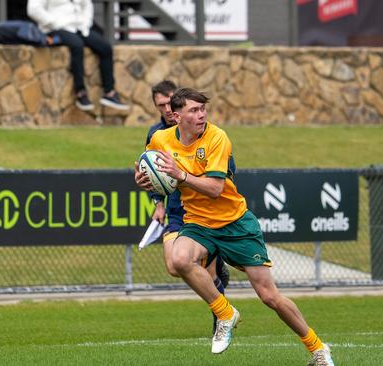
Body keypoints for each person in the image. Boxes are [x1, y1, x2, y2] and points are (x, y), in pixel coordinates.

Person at [142, 88, 335, 365]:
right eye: (193, 111)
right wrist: (143, 178)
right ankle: (225, 312)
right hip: (198, 222)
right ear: (175, 115)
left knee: (269, 296)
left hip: (235, 224)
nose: (201, 115)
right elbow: (150, 170)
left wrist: (181, 175)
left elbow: (215, 188)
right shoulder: (160, 139)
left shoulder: (217, 137)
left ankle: (318, 349)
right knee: (179, 259)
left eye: (202, 109)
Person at [134, 80, 230, 334]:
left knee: (199, 270)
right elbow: (150, 172)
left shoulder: (208, 135)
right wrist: (156, 201)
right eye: (160, 106)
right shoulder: (156, 135)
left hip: (206, 211)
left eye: (168, 103)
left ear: (177, 105)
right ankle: (218, 279)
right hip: (177, 209)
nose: (165, 109)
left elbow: (218, 178)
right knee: (173, 266)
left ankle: (221, 316)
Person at [27, 0, 129, 111]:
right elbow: (33, 9)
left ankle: (109, 93)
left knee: (105, 47)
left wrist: (85, 23)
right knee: (77, 45)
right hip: (54, 29)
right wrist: (54, 23)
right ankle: (81, 93)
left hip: (80, 28)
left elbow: (87, 5)